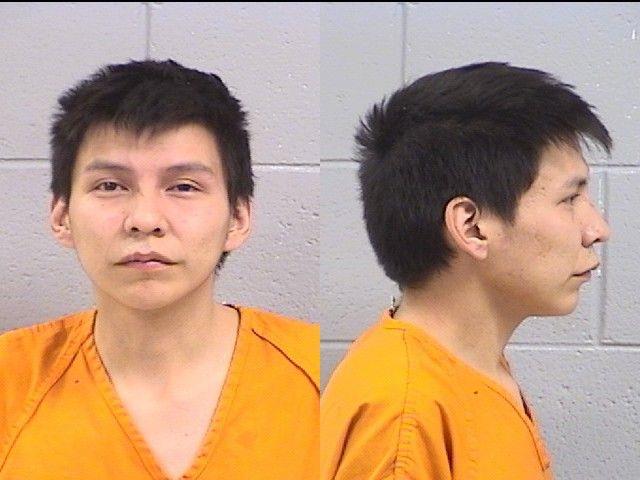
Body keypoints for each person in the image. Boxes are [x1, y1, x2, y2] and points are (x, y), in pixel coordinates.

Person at [0, 59, 318, 480]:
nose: (145, 219)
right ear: (61, 217)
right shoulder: (10, 382)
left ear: (238, 218)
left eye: (183, 186)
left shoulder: (317, 377)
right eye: (110, 186)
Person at [321, 62, 611, 480]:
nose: (597, 229)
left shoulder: (469, 368)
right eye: (569, 199)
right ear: (472, 227)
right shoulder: (405, 419)